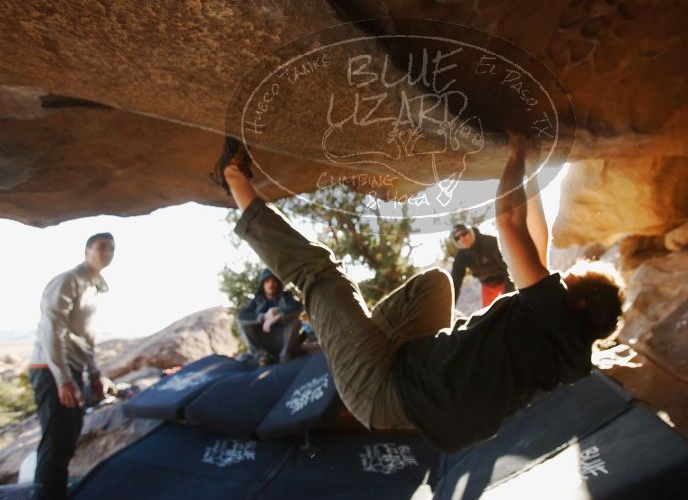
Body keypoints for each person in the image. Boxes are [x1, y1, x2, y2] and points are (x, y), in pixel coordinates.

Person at [217, 133, 623, 454]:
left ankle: (232, 177)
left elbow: (510, 222)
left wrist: (517, 154)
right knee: (436, 283)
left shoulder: (552, 314)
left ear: (579, 302)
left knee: (321, 273)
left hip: (379, 389)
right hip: (414, 381)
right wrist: (534, 171)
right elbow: (539, 239)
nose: (559, 278)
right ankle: (356, 336)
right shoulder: (561, 339)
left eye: (569, 280)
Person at [28, 232, 115, 499]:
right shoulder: (68, 280)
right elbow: (51, 331)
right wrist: (63, 379)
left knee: (65, 441)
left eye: (111, 249)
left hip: (71, 370)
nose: (107, 253)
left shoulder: (93, 286)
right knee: (56, 444)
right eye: (101, 247)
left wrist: (95, 373)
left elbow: (85, 339)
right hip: (52, 370)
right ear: (87, 250)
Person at [235, 268, 305, 365]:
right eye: (267, 281)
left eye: (273, 281)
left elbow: (299, 307)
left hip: (284, 339)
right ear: (262, 285)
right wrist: (263, 317)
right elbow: (241, 316)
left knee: (295, 321)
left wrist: (277, 317)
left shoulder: (286, 297)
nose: (271, 284)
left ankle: (285, 355)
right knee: (243, 324)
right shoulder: (256, 301)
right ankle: (262, 356)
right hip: (265, 340)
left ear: (278, 284)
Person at [450, 223, 515, 307]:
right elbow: (456, 281)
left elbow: (508, 267)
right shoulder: (461, 256)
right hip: (486, 285)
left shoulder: (490, 242)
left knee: (510, 307)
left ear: (470, 232)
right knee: (488, 313)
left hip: (504, 280)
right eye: (457, 238)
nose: (462, 238)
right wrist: (449, 307)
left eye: (464, 234)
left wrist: (509, 292)